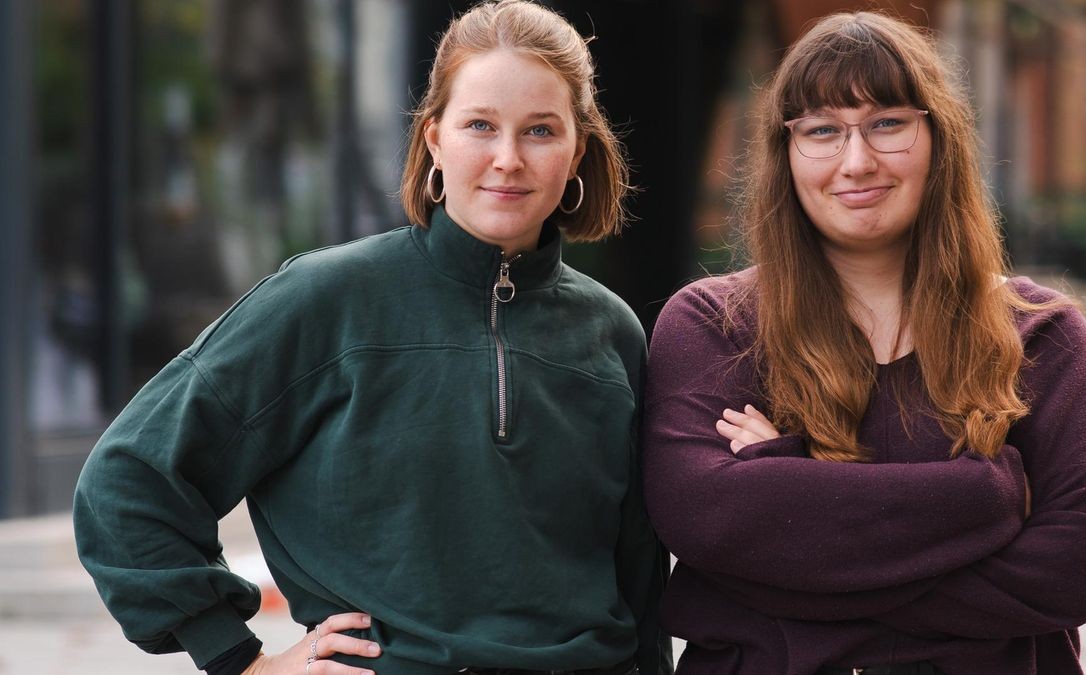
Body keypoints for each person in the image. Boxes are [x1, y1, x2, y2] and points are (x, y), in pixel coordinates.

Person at [73, 2, 670, 674]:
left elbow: (639, 582)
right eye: (480, 125)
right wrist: (240, 657)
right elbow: (127, 479)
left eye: (540, 130)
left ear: (577, 151)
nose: (508, 158)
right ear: (435, 137)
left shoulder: (614, 334)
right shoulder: (325, 300)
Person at [642, 11, 1086, 675]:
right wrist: (985, 496)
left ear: (937, 137)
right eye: (821, 130)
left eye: (888, 123)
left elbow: (1074, 571)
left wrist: (791, 492)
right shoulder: (711, 328)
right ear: (785, 153)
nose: (857, 160)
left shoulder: (1042, 336)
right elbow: (708, 522)